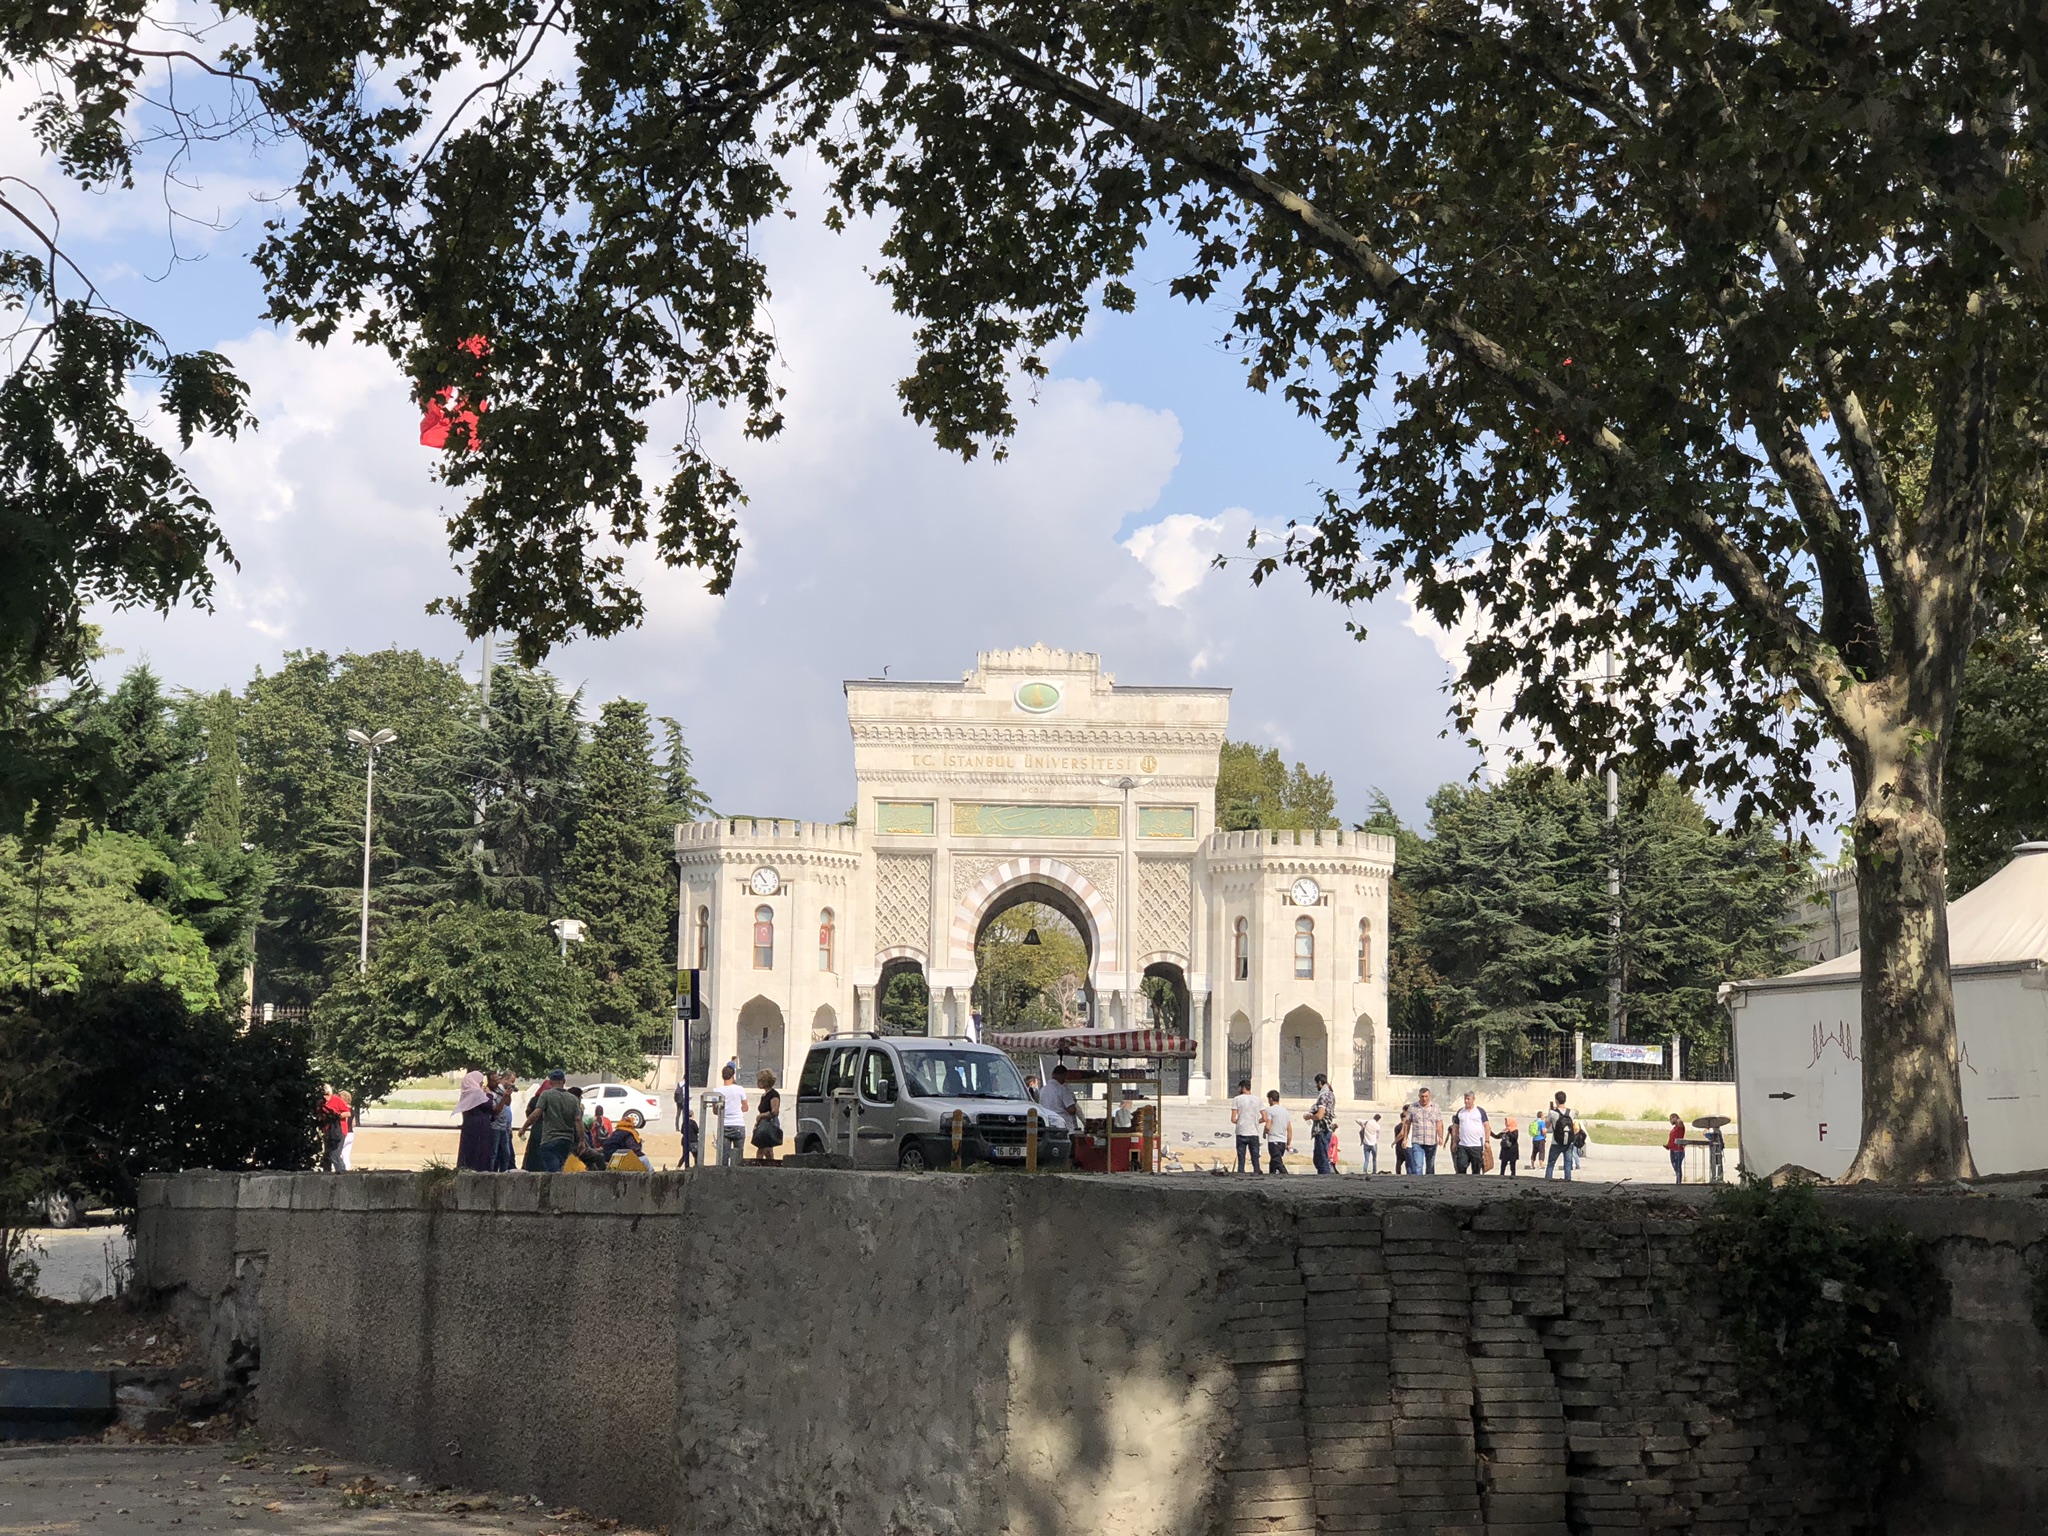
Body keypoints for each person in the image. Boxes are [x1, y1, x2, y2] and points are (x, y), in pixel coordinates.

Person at [523, 1070, 583, 1172]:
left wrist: (524, 1128)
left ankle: (554, 1186)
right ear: (564, 1081)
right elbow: (578, 1120)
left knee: (553, 1172)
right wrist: (582, 1140)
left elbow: (536, 1113)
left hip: (550, 1139)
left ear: (550, 1082)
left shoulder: (546, 1095)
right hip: (566, 1141)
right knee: (560, 1167)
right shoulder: (573, 1099)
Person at [455, 1070, 496, 1171]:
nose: (482, 1083)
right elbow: (488, 1104)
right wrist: (489, 1094)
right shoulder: (476, 1092)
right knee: (480, 1150)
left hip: (469, 1124)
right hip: (480, 1126)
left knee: (468, 1149)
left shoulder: (465, 1093)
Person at [715, 1064, 748, 1168]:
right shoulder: (740, 1089)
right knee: (738, 1156)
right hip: (738, 1123)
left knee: (724, 1156)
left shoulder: (717, 1091)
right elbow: (745, 1107)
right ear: (733, 1076)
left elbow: (715, 1111)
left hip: (724, 1125)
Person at [1449, 1091, 1489, 1175]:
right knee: (1461, 1168)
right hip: (1463, 1145)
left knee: (1476, 1170)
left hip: (1476, 1146)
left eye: (1468, 1099)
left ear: (1473, 1099)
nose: (1466, 1101)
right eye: (1465, 1099)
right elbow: (1455, 1128)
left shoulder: (1480, 1111)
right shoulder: (1460, 1112)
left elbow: (1487, 1126)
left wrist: (1487, 1141)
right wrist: (1454, 1142)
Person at [1406, 1088, 1444, 1175]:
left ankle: (1429, 1184)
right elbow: (1407, 1123)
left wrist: (1440, 1137)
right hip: (1417, 1141)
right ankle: (1419, 1184)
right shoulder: (1412, 1107)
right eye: (1422, 1096)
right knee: (1418, 1165)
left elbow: (1439, 1123)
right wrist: (1405, 1138)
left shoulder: (1436, 1107)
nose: (1424, 1098)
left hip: (1431, 1141)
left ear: (1429, 1096)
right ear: (1419, 1096)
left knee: (1430, 1165)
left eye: (1426, 1096)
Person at [1230, 1078, 1262, 1174]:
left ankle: (1241, 1172)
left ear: (1243, 1088)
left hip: (1241, 1131)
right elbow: (1264, 1117)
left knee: (1241, 1155)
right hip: (1254, 1132)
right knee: (1255, 1155)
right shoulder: (1258, 1100)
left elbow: (1233, 1118)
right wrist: (1255, 1121)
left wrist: (1240, 1122)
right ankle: (1256, 1171)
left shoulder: (1237, 1099)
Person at [1037, 1065, 1081, 1133]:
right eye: (1065, 1076)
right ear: (1062, 1076)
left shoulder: (1042, 1090)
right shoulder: (1063, 1089)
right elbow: (1071, 1110)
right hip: (1063, 1125)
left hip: (1047, 1124)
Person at [752, 1070, 784, 1164]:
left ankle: (761, 1166)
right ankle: (770, 1165)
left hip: (770, 1124)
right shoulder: (764, 1095)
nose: (757, 1083)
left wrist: (762, 1115)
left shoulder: (773, 1095)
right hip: (763, 1124)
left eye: (759, 1081)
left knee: (763, 1148)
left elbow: (775, 1111)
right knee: (767, 1150)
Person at [1545, 1091, 1577, 1181]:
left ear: (1556, 1100)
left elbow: (1546, 1126)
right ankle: (1567, 1181)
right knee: (1567, 1163)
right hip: (1569, 1142)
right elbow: (1577, 1113)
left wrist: (1550, 1112)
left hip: (1556, 1142)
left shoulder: (1552, 1113)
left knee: (1551, 1164)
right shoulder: (1572, 1112)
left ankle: (1547, 1181)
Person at [1310, 1073, 1338, 1175]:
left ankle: (1325, 1179)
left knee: (1321, 1159)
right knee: (1319, 1157)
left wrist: (1309, 1116)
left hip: (1321, 1129)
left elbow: (1320, 1115)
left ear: (1320, 1083)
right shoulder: (1331, 1095)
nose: (1316, 1086)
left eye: (1316, 1083)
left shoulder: (1323, 1096)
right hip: (1328, 1129)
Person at [321, 1085, 353, 1173]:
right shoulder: (321, 1103)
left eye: (327, 1094)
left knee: (335, 1153)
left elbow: (347, 1113)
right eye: (323, 1094)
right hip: (327, 1131)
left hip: (339, 1131)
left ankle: (342, 1172)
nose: (325, 1097)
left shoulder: (337, 1100)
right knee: (327, 1155)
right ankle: (326, 1173)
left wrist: (337, 1116)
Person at [1261, 1090, 1293, 1174]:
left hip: (1273, 1139)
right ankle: (1272, 1174)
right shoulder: (1285, 1112)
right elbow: (1289, 1129)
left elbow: (1268, 1125)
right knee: (1274, 1160)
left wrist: (1264, 1132)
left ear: (1271, 1099)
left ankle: (1285, 1174)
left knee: (1277, 1160)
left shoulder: (1270, 1110)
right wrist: (1288, 1143)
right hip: (1282, 1141)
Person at [491, 1074, 518, 1171]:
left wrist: (508, 1095)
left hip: (504, 1126)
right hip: (495, 1126)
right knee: (494, 1153)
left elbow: (508, 1103)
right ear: (505, 1080)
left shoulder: (504, 1091)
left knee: (507, 1154)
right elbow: (496, 1109)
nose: (512, 1084)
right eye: (511, 1081)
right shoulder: (495, 1091)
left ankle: (504, 1173)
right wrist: (504, 1096)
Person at [1667, 1113, 1687, 1185]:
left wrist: (1677, 1119)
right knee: (1674, 1166)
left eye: (1671, 1119)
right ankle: (1678, 1181)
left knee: (1678, 1166)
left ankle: (1679, 1183)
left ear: (1675, 1118)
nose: (1670, 1121)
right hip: (1672, 1149)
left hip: (1678, 1150)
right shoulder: (1674, 1129)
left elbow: (1680, 1122)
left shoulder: (1679, 1125)